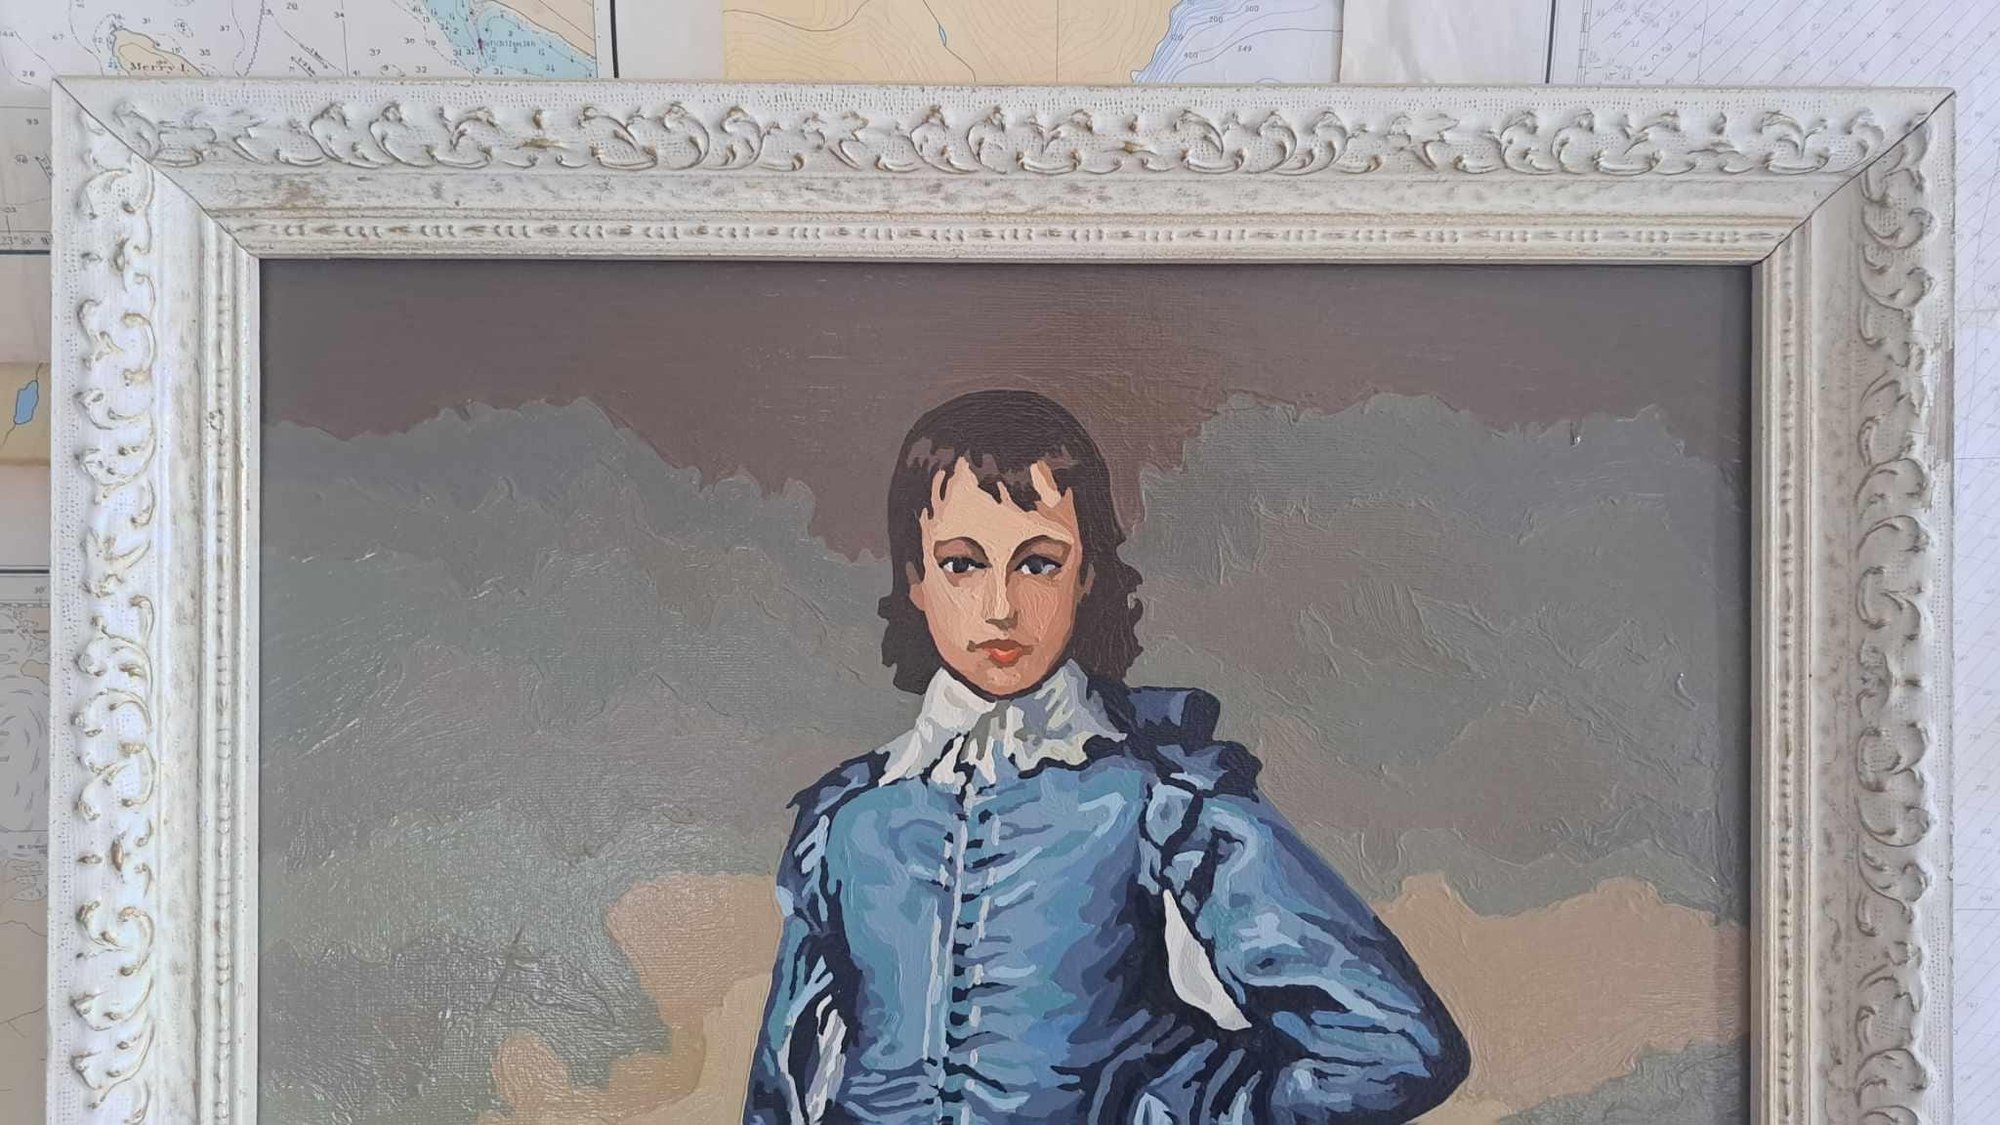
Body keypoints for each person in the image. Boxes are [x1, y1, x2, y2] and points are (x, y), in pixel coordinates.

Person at [744, 389, 1468, 1124]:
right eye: (962, 564)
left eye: (1037, 564)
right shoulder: (844, 819)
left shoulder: (1165, 797)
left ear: (1088, 574)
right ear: (915, 580)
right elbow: (784, 1090)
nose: (1000, 607)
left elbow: (1394, 1045)